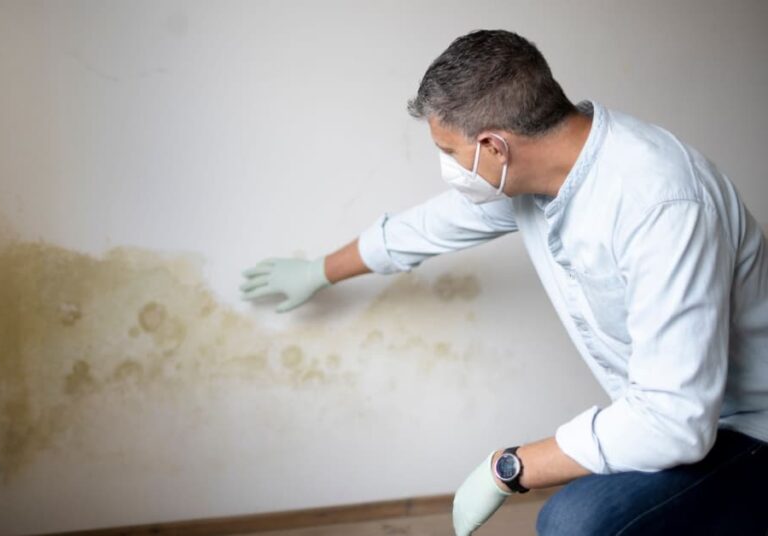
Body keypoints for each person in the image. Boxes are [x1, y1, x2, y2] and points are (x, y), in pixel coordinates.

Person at [238, 29, 768, 535]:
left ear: (494, 146)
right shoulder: (537, 179)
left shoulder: (658, 204)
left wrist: (508, 468)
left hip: (746, 429)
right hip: (683, 422)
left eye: (448, 152)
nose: (447, 167)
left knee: (575, 521)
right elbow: (425, 228)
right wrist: (318, 272)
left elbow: (673, 423)